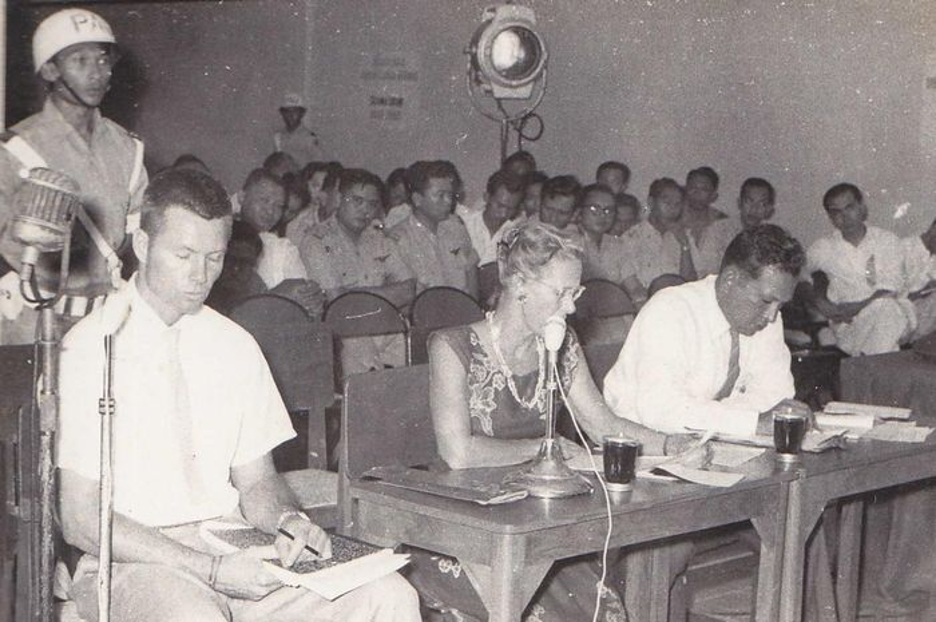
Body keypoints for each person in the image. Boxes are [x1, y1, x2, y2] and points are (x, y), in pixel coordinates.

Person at [56, 168, 420, 622]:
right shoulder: (92, 347)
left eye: (214, 258)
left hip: (231, 546)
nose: (200, 275)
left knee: (388, 596)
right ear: (144, 246)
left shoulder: (234, 344)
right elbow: (80, 518)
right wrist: (209, 571)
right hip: (133, 559)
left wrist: (288, 521)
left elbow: (257, 482)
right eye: (184, 255)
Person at [408, 220, 700, 622]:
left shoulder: (562, 344)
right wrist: (547, 450)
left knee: (600, 608)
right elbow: (458, 453)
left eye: (574, 293)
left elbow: (601, 423)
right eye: (561, 293)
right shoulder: (452, 346)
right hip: (465, 522)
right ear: (519, 283)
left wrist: (670, 444)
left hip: (537, 515)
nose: (571, 307)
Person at [0, 8, 148, 344]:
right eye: (80, 61)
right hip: (31, 323)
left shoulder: (128, 147)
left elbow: (138, 235)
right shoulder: (14, 150)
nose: (97, 73)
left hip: (105, 324)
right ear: (50, 69)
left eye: (103, 60)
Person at [605, 224, 812, 436]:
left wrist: (729, 419)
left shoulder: (767, 318)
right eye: (766, 300)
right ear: (730, 279)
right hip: (639, 443)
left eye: (780, 304)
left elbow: (776, 397)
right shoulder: (671, 310)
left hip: (709, 442)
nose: (772, 315)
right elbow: (661, 410)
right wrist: (750, 421)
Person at [299, 168, 415, 374]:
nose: (365, 210)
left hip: (384, 328)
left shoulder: (380, 239)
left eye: (372, 204)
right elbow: (337, 303)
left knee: (406, 348)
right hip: (344, 335)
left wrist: (352, 295)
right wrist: (385, 295)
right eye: (357, 201)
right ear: (339, 199)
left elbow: (408, 290)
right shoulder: (317, 241)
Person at [798, 183, 913, 355]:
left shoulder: (887, 240)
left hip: (894, 314)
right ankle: (871, 363)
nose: (845, 217)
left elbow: (891, 287)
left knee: (885, 307)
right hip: (849, 324)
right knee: (884, 342)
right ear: (830, 217)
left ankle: (864, 362)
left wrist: (857, 307)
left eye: (849, 207)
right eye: (836, 212)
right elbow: (797, 277)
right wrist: (820, 302)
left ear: (862, 207)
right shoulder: (822, 248)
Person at [388, 160, 479, 297]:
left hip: (463, 306)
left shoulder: (456, 227)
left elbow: (471, 275)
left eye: (450, 195)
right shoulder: (399, 239)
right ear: (417, 199)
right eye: (440, 195)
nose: (448, 201)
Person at [577, 183, 646, 305]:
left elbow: (633, 286)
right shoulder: (569, 242)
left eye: (609, 210)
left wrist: (641, 300)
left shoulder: (616, 245)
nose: (602, 215)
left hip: (612, 309)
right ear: (579, 211)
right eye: (594, 209)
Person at [623, 178, 696, 290]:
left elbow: (691, 282)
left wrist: (684, 246)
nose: (672, 209)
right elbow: (630, 284)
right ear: (651, 202)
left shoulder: (685, 236)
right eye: (667, 203)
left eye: (677, 204)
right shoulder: (631, 236)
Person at [680, 166, 735, 277]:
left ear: (714, 196)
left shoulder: (724, 225)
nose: (697, 193)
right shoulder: (673, 220)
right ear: (685, 190)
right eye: (692, 188)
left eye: (704, 189)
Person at [462, 169, 524, 265]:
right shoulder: (464, 224)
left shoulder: (516, 233)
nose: (504, 214)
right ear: (486, 197)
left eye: (511, 209)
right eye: (500, 206)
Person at [273, 92, 323, 165]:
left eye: (295, 111)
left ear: (302, 113)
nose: (291, 115)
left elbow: (317, 164)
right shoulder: (277, 136)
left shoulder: (309, 137)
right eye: (287, 111)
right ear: (282, 114)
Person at [538, 175, 583, 243]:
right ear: (539, 204)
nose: (553, 218)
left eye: (562, 213)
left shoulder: (577, 244)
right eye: (549, 209)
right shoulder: (525, 228)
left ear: (574, 214)